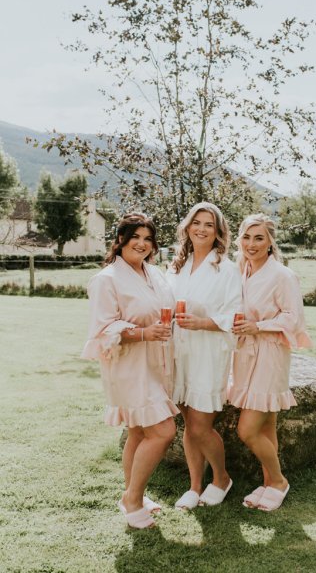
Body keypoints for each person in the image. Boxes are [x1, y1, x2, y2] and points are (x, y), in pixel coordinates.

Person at [81, 213, 179, 529]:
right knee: (163, 432)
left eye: (148, 238)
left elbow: (166, 311)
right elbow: (102, 328)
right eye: (135, 236)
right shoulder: (106, 280)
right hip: (128, 366)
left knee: (139, 431)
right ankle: (133, 500)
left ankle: (132, 495)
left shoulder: (155, 273)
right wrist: (142, 333)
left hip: (157, 363)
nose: (142, 243)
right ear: (121, 239)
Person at [229, 214, 311, 511]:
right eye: (247, 237)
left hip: (270, 354)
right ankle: (266, 484)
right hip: (244, 354)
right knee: (267, 428)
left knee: (247, 430)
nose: (251, 244)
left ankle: (278, 481)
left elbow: (294, 318)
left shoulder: (282, 275)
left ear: (270, 242)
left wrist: (258, 327)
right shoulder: (240, 270)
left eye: (259, 238)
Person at [166, 202, 242, 509]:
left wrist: (202, 323)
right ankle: (195, 486)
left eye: (208, 224)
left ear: (218, 231)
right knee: (187, 422)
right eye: (196, 222)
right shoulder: (175, 266)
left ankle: (221, 477)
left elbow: (235, 315)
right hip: (178, 351)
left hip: (208, 353)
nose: (201, 228)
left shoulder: (227, 269)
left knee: (200, 425)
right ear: (187, 227)